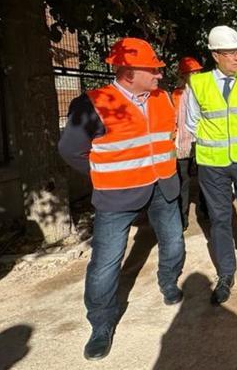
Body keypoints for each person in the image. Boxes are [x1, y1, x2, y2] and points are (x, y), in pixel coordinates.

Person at [58, 37, 184, 360]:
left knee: (173, 242)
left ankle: (169, 282)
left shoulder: (163, 98)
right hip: (117, 195)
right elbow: (70, 150)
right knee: (106, 263)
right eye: (153, 70)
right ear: (129, 72)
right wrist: (104, 173)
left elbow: (167, 137)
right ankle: (101, 323)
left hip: (163, 185)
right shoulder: (93, 103)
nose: (159, 75)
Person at [184, 25, 237, 305]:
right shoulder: (197, 84)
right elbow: (191, 123)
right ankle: (225, 274)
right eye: (231, 52)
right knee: (220, 218)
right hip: (213, 163)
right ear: (215, 55)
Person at [171, 56, 206, 231]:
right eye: (193, 73)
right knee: (183, 180)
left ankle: (205, 209)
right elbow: (173, 119)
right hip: (183, 143)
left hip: (201, 140)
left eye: (198, 72)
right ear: (184, 75)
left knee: (204, 177)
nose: (197, 75)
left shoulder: (204, 92)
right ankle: (182, 216)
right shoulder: (176, 95)